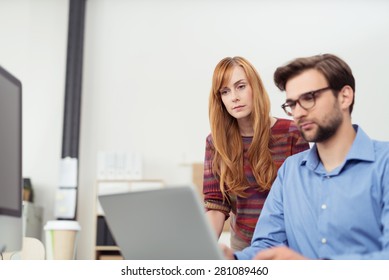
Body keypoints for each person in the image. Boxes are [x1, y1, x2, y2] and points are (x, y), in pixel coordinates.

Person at [225, 53, 389, 260]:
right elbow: (267, 245)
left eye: (309, 98)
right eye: (292, 104)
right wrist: (231, 260)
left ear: (345, 96)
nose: (298, 112)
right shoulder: (289, 171)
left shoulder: (384, 165)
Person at [203, 56, 309, 251]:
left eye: (241, 86)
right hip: (242, 243)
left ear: (255, 87)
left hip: (286, 242)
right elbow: (216, 204)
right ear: (220, 100)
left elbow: (302, 198)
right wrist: (202, 248)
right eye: (225, 91)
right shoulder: (215, 142)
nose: (234, 97)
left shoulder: (292, 133)